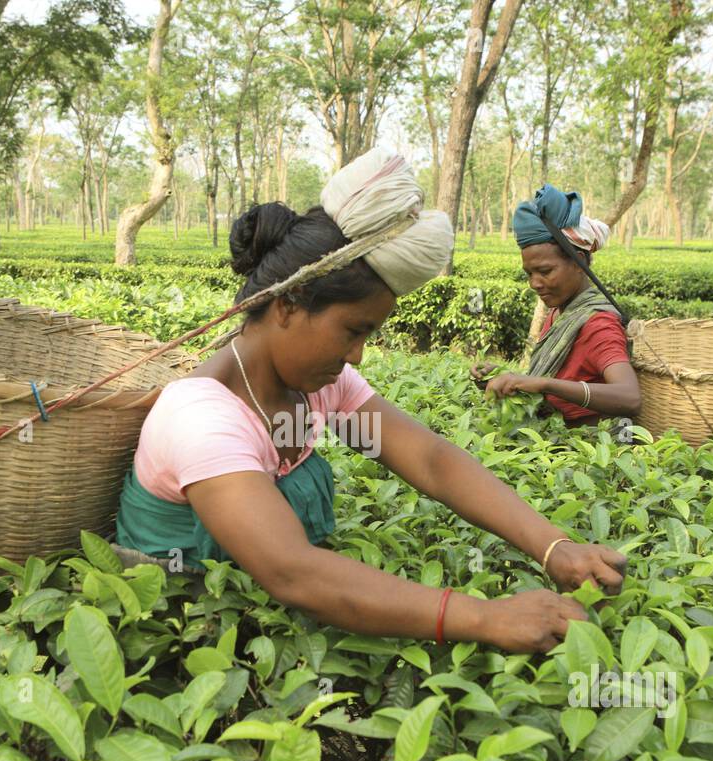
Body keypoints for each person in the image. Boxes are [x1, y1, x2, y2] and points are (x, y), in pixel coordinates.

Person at [115, 150, 628, 655]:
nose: (358, 354)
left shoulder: (316, 384)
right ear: (288, 306)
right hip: (182, 631)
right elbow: (293, 572)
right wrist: (487, 618)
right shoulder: (204, 416)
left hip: (258, 617)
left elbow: (430, 460)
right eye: (354, 330)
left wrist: (554, 547)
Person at [472, 185, 642, 427]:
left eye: (545, 271)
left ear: (578, 262)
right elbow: (562, 378)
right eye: (529, 273)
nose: (534, 283)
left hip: (585, 453)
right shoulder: (561, 312)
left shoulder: (598, 324)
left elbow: (630, 398)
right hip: (552, 438)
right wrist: (500, 376)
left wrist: (544, 384)